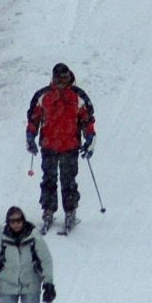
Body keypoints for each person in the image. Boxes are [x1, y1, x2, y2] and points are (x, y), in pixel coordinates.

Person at [26, 63, 96, 229]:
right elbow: (34, 118)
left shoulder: (78, 96)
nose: (61, 81)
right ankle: (48, 209)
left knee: (68, 180)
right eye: (58, 78)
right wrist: (30, 136)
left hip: (70, 146)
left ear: (69, 76)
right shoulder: (43, 96)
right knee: (48, 179)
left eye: (64, 78)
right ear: (53, 77)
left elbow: (87, 119)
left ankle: (70, 210)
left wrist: (90, 138)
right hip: (49, 145)